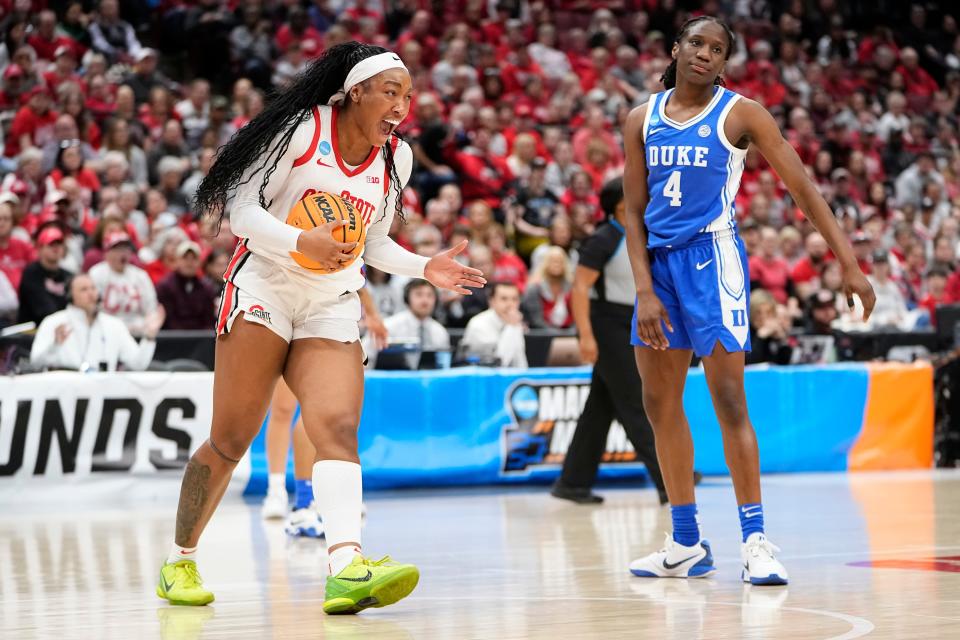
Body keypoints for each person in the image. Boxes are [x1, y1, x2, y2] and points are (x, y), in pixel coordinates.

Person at [156, 43, 485, 613]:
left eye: (408, 96)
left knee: (336, 425)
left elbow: (373, 240)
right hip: (264, 285)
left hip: (330, 298)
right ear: (355, 90)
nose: (401, 106)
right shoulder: (299, 131)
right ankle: (180, 560)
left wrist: (422, 266)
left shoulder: (396, 158)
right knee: (232, 437)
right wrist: (299, 240)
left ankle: (346, 565)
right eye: (390, 91)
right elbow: (241, 212)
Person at [622, 17, 875, 586]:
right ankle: (685, 541)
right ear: (676, 49)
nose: (705, 55)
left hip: (713, 264)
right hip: (657, 270)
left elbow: (803, 188)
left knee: (730, 401)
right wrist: (643, 289)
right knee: (659, 404)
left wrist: (850, 265)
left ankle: (755, 540)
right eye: (696, 44)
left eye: (717, 49)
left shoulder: (741, 114)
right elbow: (631, 214)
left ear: (725, 61)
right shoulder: (640, 119)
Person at [551, 178, 667, 505]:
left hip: (633, 320)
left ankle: (572, 483)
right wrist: (586, 336)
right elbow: (579, 289)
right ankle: (668, 479)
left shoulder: (644, 233)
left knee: (600, 408)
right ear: (619, 203)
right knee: (635, 400)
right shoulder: (604, 238)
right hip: (607, 324)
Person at [30, 273, 163, 371]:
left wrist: (149, 337)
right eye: (84, 289)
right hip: (64, 392)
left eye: (93, 288)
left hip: (102, 395)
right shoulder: (54, 322)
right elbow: (35, 363)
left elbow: (138, 364)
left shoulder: (114, 325)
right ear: (70, 296)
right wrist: (55, 344)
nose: (91, 293)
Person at [363, 279, 450, 368]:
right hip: (390, 380)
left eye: (430, 295)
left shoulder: (440, 332)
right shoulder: (388, 326)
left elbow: (444, 366)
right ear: (407, 298)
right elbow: (365, 359)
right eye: (419, 294)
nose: (425, 300)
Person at [460, 281, 526, 367]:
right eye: (504, 299)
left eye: (514, 299)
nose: (510, 304)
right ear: (491, 301)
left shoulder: (515, 323)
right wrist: (511, 326)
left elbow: (520, 362)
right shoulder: (478, 324)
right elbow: (499, 363)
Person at [17, 226, 71, 325]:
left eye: (59, 244)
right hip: (32, 331)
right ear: (40, 248)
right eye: (51, 244)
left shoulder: (68, 275)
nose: (56, 248)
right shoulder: (31, 273)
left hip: (62, 327)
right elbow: (44, 309)